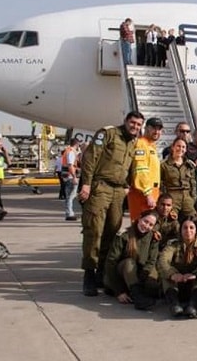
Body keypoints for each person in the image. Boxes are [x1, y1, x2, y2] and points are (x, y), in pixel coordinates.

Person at [78, 111, 144, 296]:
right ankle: (89, 275)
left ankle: (102, 273)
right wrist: (86, 183)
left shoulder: (133, 142)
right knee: (94, 230)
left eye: (139, 124)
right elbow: (91, 157)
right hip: (100, 187)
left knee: (112, 231)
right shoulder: (108, 134)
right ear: (125, 121)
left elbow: (131, 167)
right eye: (133, 123)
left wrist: (128, 186)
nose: (135, 127)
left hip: (118, 191)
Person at [103, 210, 160, 311]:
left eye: (151, 225)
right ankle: (138, 298)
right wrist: (119, 291)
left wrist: (143, 278)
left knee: (153, 286)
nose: (146, 226)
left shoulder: (153, 237)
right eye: (145, 221)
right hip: (121, 274)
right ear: (139, 218)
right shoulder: (124, 235)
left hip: (140, 273)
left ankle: (138, 290)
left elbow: (152, 261)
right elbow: (110, 263)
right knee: (130, 263)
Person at [158, 217, 197, 318]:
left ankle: (193, 306)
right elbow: (163, 260)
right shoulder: (173, 244)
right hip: (178, 283)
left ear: (196, 230)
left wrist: (195, 274)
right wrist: (172, 274)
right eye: (185, 228)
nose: (188, 231)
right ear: (180, 230)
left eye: (191, 228)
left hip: (194, 283)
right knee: (166, 276)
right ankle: (174, 305)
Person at [128, 117, 163, 222]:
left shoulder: (151, 146)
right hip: (143, 194)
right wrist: (148, 194)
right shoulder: (141, 144)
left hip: (153, 192)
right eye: (153, 128)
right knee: (140, 226)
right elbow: (140, 171)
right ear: (146, 128)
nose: (156, 131)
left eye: (159, 129)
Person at [160, 137, 197, 220]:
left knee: (192, 219)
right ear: (172, 147)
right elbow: (161, 183)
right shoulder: (164, 165)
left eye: (183, 147)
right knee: (171, 220)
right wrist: (164, 199)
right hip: (172, 196)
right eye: (178, 146)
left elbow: (193, 183)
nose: (180, 149)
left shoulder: (189, 165)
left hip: (187, 197)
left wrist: (193, 198)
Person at [60, 138, 80, 221]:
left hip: (66, 175)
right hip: (70, 176)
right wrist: (74, 177)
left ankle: (69, 213)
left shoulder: (67, 151)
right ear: (77, 144)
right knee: (71, 196)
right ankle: (69, 213)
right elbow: (70, 165)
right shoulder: (71, 152)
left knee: (69, 196)